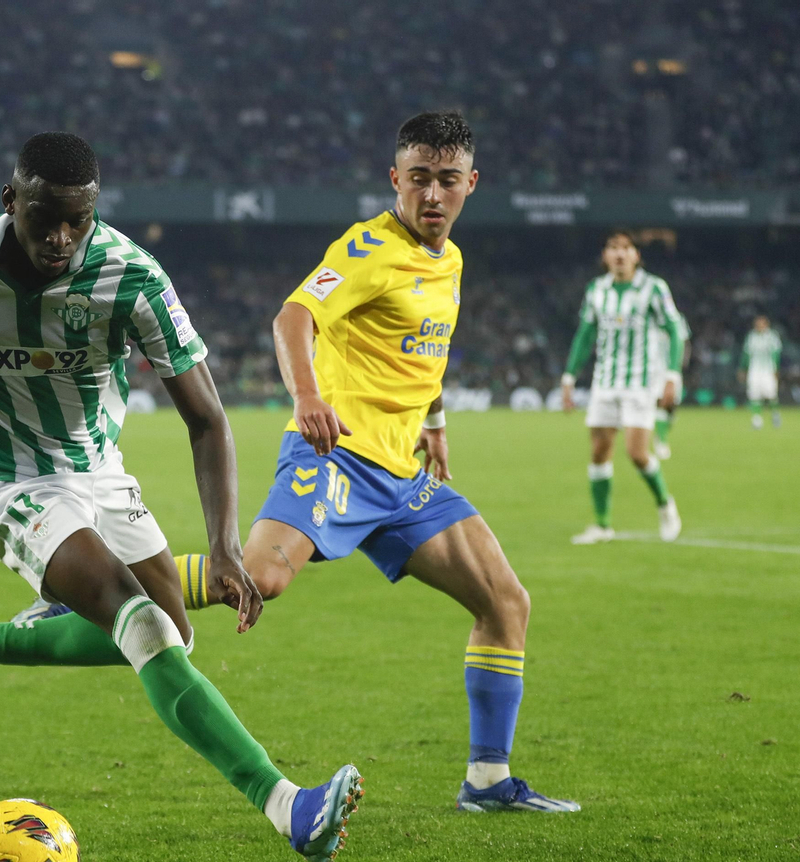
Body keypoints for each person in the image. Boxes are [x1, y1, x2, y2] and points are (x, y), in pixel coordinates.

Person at [0, 131, 363, 862]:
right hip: (7, 481)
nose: (62, 238)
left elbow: (207, 419)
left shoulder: (128, 276)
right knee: (139, 624)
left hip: (98, 473)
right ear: (11, 202)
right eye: (46, 218)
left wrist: (226, 545)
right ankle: (287, 805)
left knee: (174, 630)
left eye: (79, 219)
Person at [171, 111, 578, 813]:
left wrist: (437, 423)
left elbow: (424, 348)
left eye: (447, 181)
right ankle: (105, 583)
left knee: (505, 601)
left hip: (402, 475)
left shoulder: (447, 260)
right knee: (261, 576)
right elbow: (293, 316)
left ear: (471, 184)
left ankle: (487, 781)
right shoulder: (367, 248)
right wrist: (305, 395)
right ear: (396, 179)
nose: (431, 196)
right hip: (336, 455)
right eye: (418, 179)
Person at [562, 230, 683, 545]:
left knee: (636, 452)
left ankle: (665, 504)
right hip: (605, 383)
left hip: (639, 384)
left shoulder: (654, 288)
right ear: (605, 256)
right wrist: (569, 378)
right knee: (600, 452)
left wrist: (671, 374)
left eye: (626, 248)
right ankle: (602, 525)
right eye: (613, 247)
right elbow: (585, 335)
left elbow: (674, 329)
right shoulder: (596, 290)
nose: (619, 254)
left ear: (636, 256)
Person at [651, 308, 690, 459]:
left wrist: (682, 361)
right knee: (661, 402)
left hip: (672, 368)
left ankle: (661, 432)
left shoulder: (678, 318)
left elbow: (684, 341)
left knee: (672, 407)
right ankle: (662, 442)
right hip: (654, 369)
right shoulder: (649, 316)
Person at [740, 315, 783, 430]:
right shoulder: (751, 337)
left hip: (768, 370)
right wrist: (743, 368)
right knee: (754, 394)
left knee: (771, 395)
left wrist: (776, 369)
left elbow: (776, 353)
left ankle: (775, 414)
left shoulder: (772, 337)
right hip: (754, 370)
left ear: (766, 324)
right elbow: (746, 354)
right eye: (757, 323)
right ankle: (757, 419)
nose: (758, 326)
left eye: (761, 323)